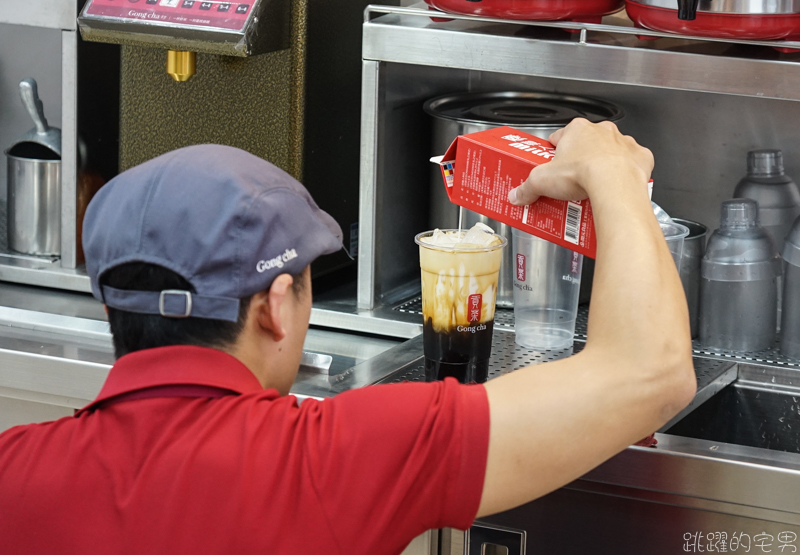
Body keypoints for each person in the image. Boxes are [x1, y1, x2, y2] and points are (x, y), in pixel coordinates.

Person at [0, 120, 695, 554]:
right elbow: (651, 372)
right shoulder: (327, 461)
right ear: (277, 306)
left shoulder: (14, 469)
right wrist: (610, 171)